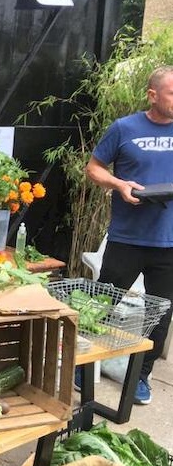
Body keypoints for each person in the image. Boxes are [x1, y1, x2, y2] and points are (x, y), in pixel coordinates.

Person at [85, 64, 173, 406]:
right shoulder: (124, 128)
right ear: (152, 95)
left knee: (161, 314)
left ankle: (141, 376)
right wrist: (118, 184)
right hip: (126, 238)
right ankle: (85, 367)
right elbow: (93, 168)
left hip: (168, 243)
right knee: (101, 305)